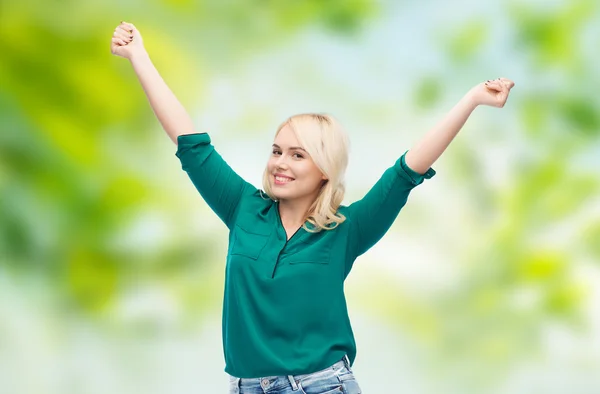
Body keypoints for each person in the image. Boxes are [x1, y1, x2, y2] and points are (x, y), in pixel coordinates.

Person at [111, 21, 515, 394]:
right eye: (276, 151)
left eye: (297, 155)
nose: (280, 164)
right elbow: (191, 142)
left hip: (322, 386)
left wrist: (473, 99)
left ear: (324, 169)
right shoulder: (243, 209)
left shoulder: (346, 230)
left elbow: (407, 169)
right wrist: (139, 57)